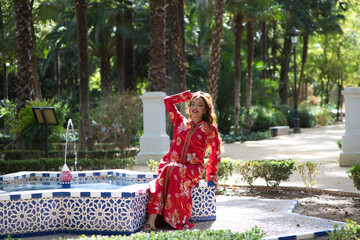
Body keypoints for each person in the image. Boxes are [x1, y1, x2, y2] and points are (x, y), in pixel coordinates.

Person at [143, 90, 221, 232]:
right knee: (166, 172)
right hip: (171, 167)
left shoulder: (209, 129)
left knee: (171, 169)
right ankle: (151, 220)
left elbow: (215, 153)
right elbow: (168, 101)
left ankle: (173, 219)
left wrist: (212, 176)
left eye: (200, 105)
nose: (195, 107)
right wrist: (186, 96)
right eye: (193, 104)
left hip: (192, 169)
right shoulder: (180, 122)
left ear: (205, 110)